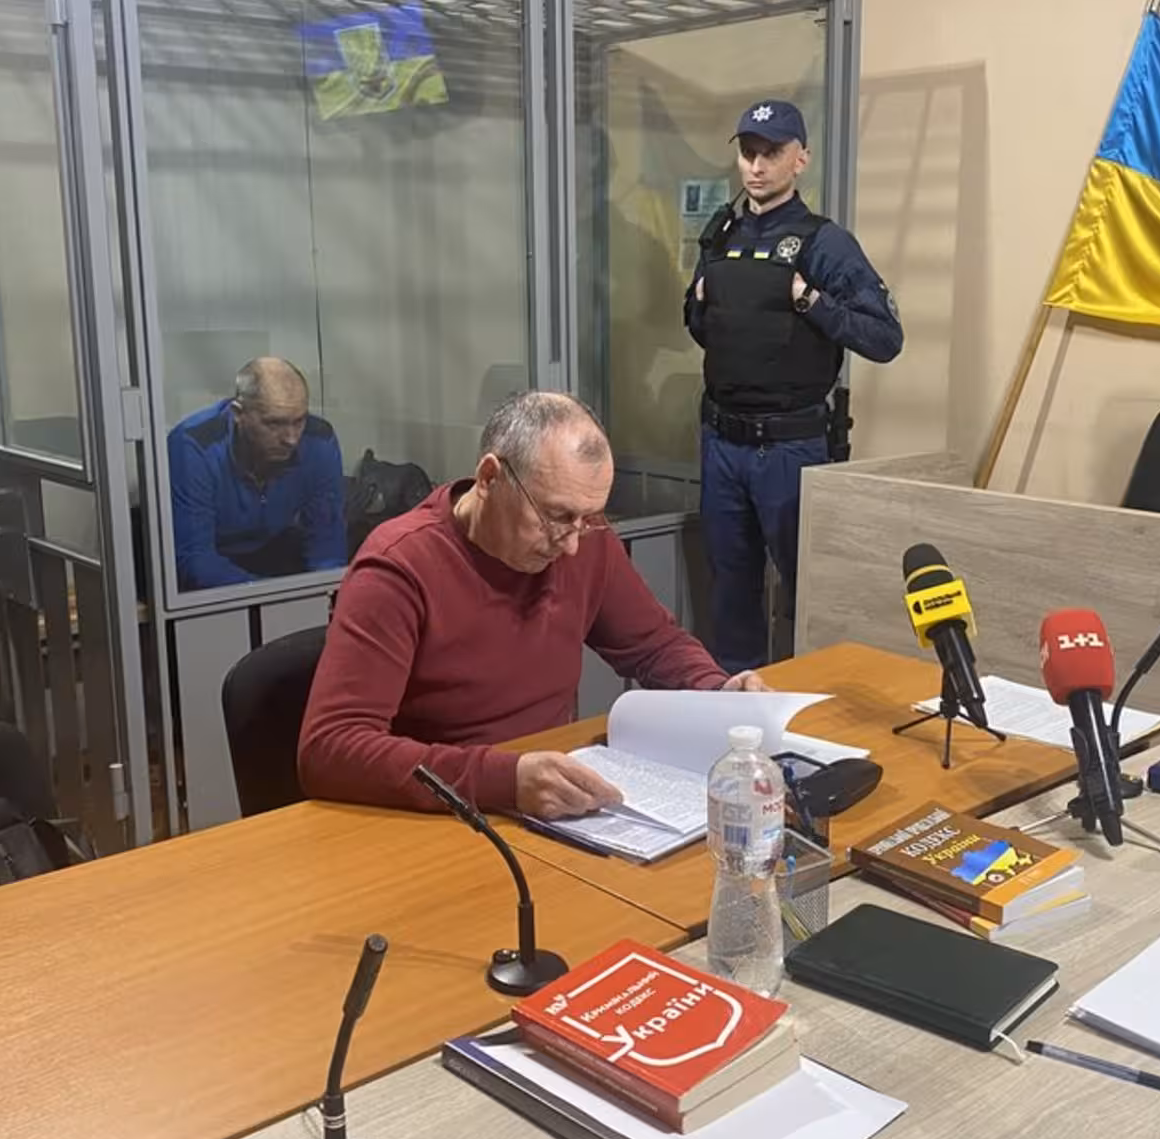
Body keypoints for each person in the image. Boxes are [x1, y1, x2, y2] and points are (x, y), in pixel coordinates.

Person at [298, 391, 767, 818]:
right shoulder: (399, 566)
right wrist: (506, 781)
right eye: (556, 517)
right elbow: (330, 749)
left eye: (588, 518)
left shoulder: (583, 537)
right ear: (489, 478)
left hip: (548, 803)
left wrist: (715, 691)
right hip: (443, 816)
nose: (572, 545)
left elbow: (653, 643)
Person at [685, 98, 903, 672]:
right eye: (748, 153)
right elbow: (705, 327)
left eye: (771, 153)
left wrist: (810, 301)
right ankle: (738, 699)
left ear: (800, 159)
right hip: (723, 442)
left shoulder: (823, 243)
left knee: (809, 593)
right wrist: (699, 305)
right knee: (730, 591)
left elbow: (885, 338)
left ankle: (814, 698)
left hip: (788, 448)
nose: (757, 166)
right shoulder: (722, 235)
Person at [168, 357, 346, 590]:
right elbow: (195, 559)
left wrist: (327, 595)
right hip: (212, 563)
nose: (291, 439)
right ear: (238, 414)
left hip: (272, 549)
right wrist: (271, 598)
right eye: (274, 424)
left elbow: (327, 543)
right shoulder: (193, 446)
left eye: (299, 421)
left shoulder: (318, 440)